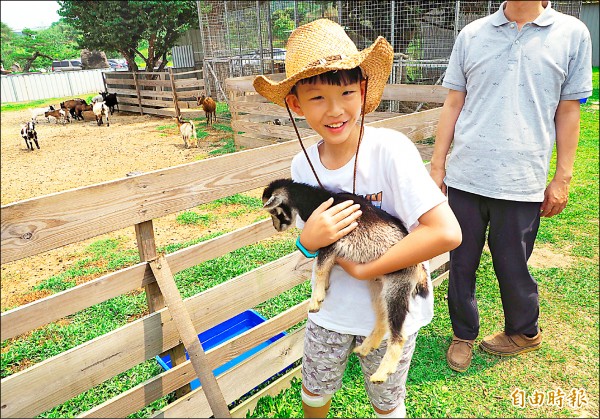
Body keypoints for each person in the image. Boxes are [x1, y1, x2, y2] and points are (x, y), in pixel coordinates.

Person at [254, 19, 462, 418]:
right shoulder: (301, 166)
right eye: (316, 98)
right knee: (314, 391)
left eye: (347, 92)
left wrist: (370, 270)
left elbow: (446, 232)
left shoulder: (390, 150)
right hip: (329, 312)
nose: (334, 110)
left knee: (387, 402)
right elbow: (310, 238)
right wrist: (305, 242)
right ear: (295, 103)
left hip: (389, 301)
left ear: (363, 91)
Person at [430, 1, 592, 373]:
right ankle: (462, 334)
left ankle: (523, 332)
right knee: (461, 261)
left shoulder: (571, 34)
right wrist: (437, 166)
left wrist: (562, 177)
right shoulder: (472, 34)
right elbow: (454, 102)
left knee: (512, 263)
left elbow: (569, 110)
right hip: (466, 175)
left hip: (523, 178)